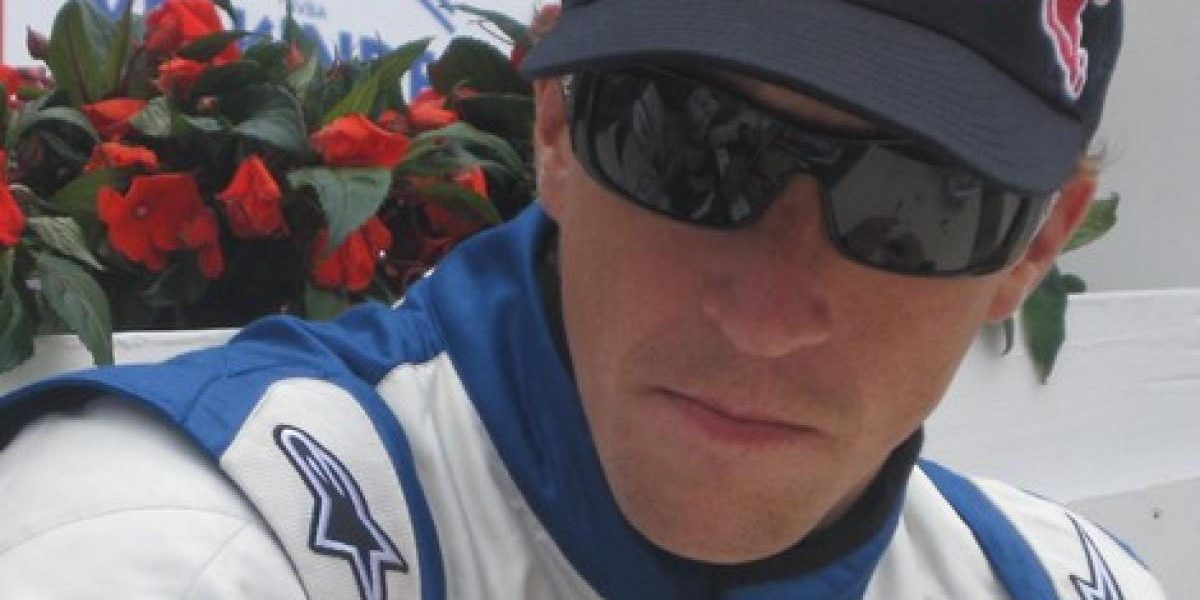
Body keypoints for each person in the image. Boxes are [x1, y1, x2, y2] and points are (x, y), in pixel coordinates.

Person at [0, 0, 1167, 598]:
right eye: (688, 146)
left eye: (923, 203)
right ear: (553, 125)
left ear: (1034, 247)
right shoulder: (179, 541)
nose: (766, 317)